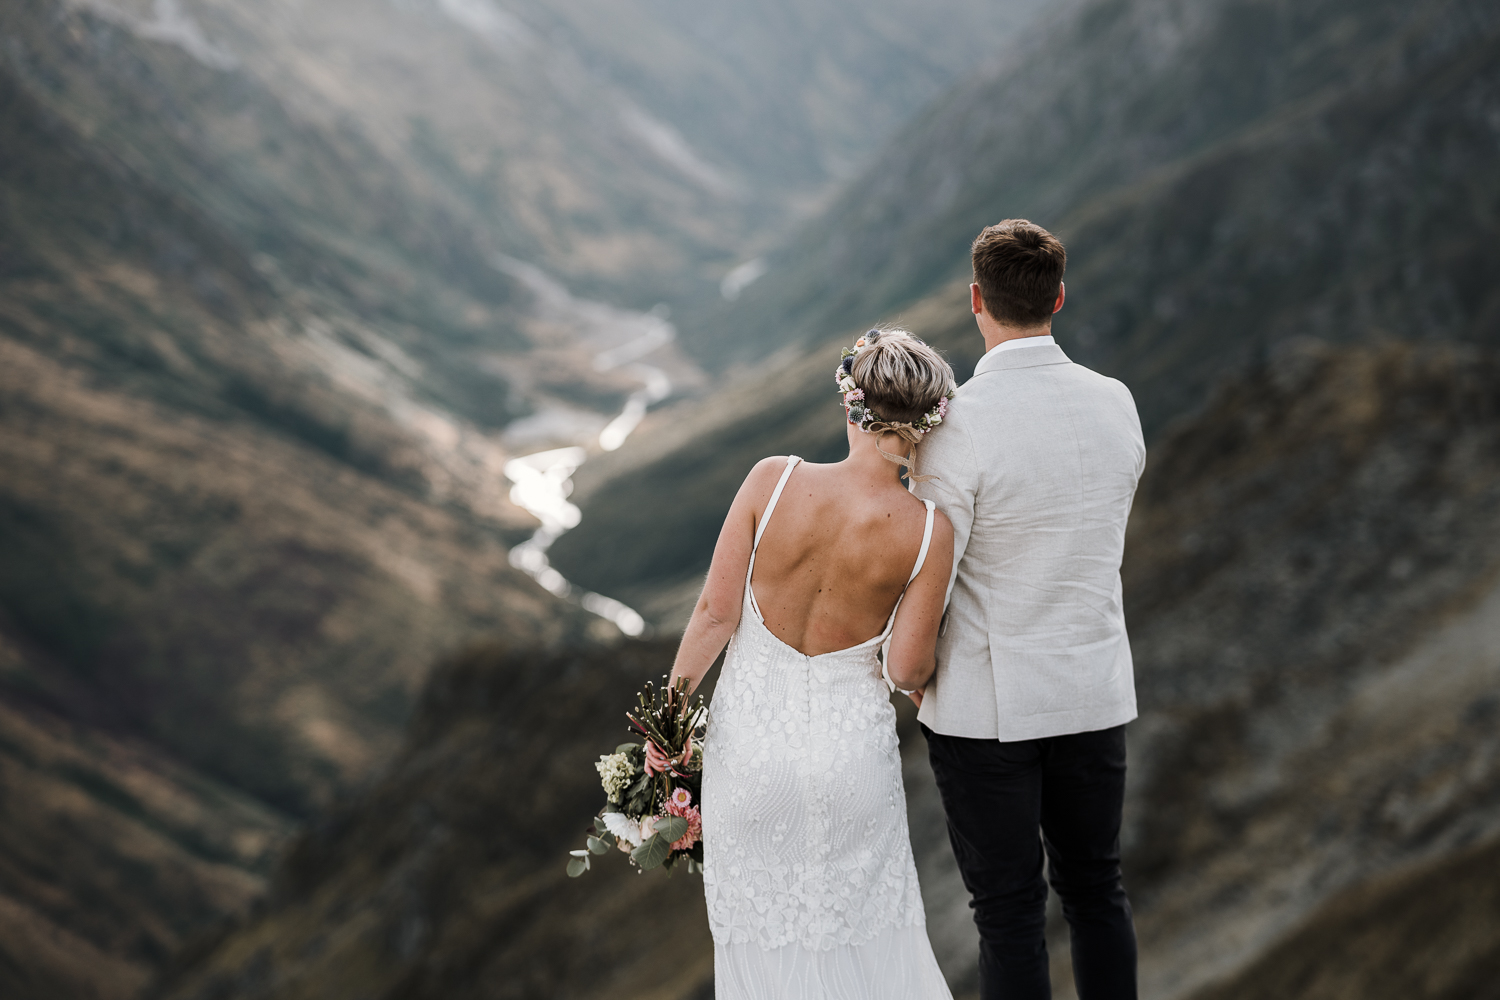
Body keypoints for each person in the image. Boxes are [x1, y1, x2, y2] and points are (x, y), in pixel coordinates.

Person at [669, 329, 958, 999]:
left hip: (750, 757)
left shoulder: (773, 481)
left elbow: (715, 615)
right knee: (865, 943)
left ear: (850, 403)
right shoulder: (928, 531)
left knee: (760, 944)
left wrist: (667, 727)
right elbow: (910, 669)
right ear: (927, 422)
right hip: (849, 763)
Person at [911, 219, 1146, 1000]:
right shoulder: (1117, 404)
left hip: (988, 708)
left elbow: (931, 574)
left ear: (977, 300)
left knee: (1008, 913)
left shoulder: (961, 423)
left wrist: (909, 671)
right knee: (1097, 892)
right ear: (1060, 297)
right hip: (1092, 688)